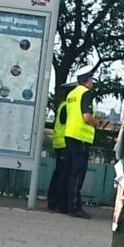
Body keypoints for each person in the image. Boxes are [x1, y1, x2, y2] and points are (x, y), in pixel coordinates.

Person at [63, 65, 101, 219]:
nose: (93, 82)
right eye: (92, 79)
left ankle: (67, 205)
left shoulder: (71, 94)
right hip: (81, 138)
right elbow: (86, 117)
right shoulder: (86, 93)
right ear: (87, 80)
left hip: (69, 135)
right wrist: (96, 123)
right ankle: (74, 207)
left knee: (70, 171)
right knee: (78, 173)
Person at [47, 82, 76, 213]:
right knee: (62, 175)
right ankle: (58, 202)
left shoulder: (62, 106)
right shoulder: (67, 107)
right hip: (64, 143)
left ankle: (53, 201)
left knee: (58, 173)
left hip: (59, 143)